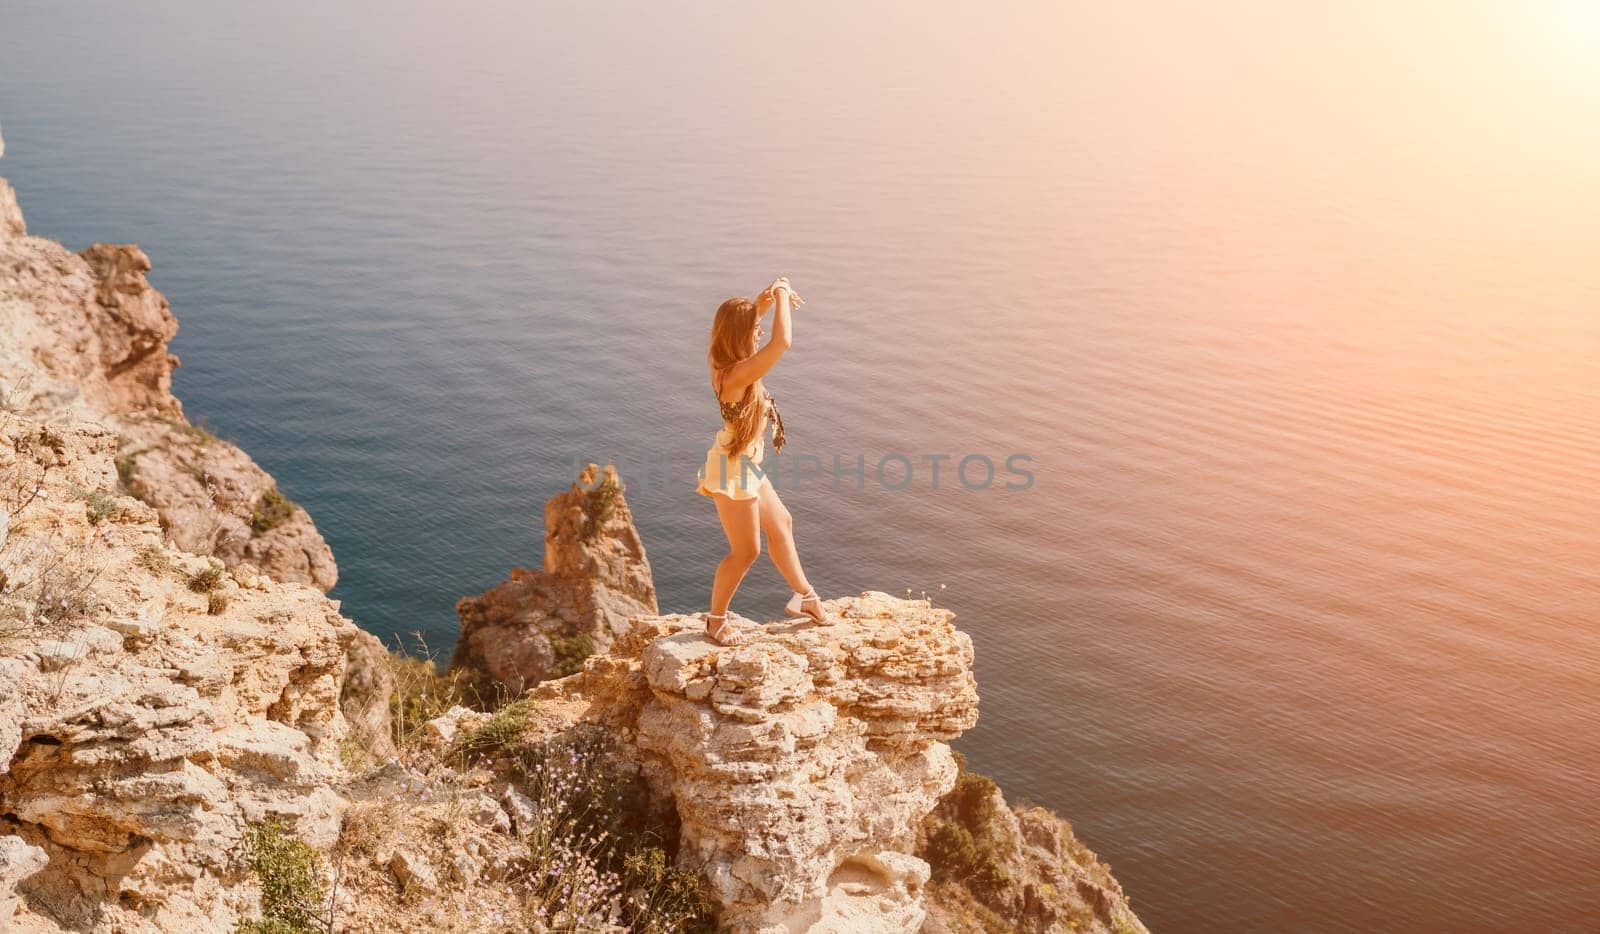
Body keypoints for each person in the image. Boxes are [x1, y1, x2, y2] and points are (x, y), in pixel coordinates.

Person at [695, 276, 833, 645]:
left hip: (746, 460)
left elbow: (746, 327)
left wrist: (763, 304)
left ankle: (805, 597)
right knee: (745, 551)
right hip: (733, 467)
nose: (759, 332)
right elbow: (782, 342)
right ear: (740, 334)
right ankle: (715, 621)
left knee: (782, 523)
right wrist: (784, 293)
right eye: (755, 328)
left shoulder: (725, 358)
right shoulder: (739, 374)